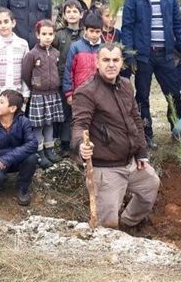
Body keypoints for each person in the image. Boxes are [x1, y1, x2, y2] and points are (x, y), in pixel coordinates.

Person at [72, 43, 160, 229]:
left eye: (115, 60)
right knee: (107, 225)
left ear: (122, 63)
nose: (111, 64)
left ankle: (128, 224)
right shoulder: (86, 92)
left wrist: (141, 152)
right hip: (105, 170)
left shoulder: (126, 85)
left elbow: (136, 119)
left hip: (131, 162)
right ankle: (110, 238)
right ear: (97, 63)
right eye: (106, 60)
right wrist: (81, 144)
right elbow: (79, 125)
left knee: (151, 185)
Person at [121, 0, 181, 150]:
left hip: (166, 54)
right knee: (142, 96)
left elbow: (178, 25)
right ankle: (146, 133)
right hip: (143, 56)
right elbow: (127, 28)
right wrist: (130, 54)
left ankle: (177, 129)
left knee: (174, 94)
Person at [0, 90, 39, 206]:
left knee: (32, 158)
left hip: (17, 159)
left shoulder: (24, 122)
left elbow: (32, 144)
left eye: (1, 102)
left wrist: (8, 158)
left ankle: (22, 189)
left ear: (12, 109)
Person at [21, 20, 65, 168]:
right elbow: (26, 74)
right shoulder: (32, 54)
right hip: (39, 95)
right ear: (37, 35)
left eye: (50, 34)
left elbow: (58, 71)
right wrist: (35, 85)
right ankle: (39, 152)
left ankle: (50, 150)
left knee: (49, 124)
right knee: (38, 126)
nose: (47, 37)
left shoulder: (56, 53)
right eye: (44, 34)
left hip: (53, 94)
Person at [53, 0, 84, 154]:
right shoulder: (59, 35)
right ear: (64, 15)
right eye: (68, 11)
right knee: (65, 111)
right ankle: (64, 143)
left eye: (75, 11)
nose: (72, 14)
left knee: (81, 112)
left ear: (81, 14)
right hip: (62, 80)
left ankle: (80, 141)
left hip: (82, 80)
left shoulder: (86, 33)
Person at [63, 11, 104, 104]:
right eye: (91, 31)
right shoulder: (76, 47)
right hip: (80, 91)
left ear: (101, 31)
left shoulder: (103, 48)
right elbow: (69, 70)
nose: (94, 35)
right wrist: (69, 92)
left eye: (97, 32)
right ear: (85, 30)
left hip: (100, 92)